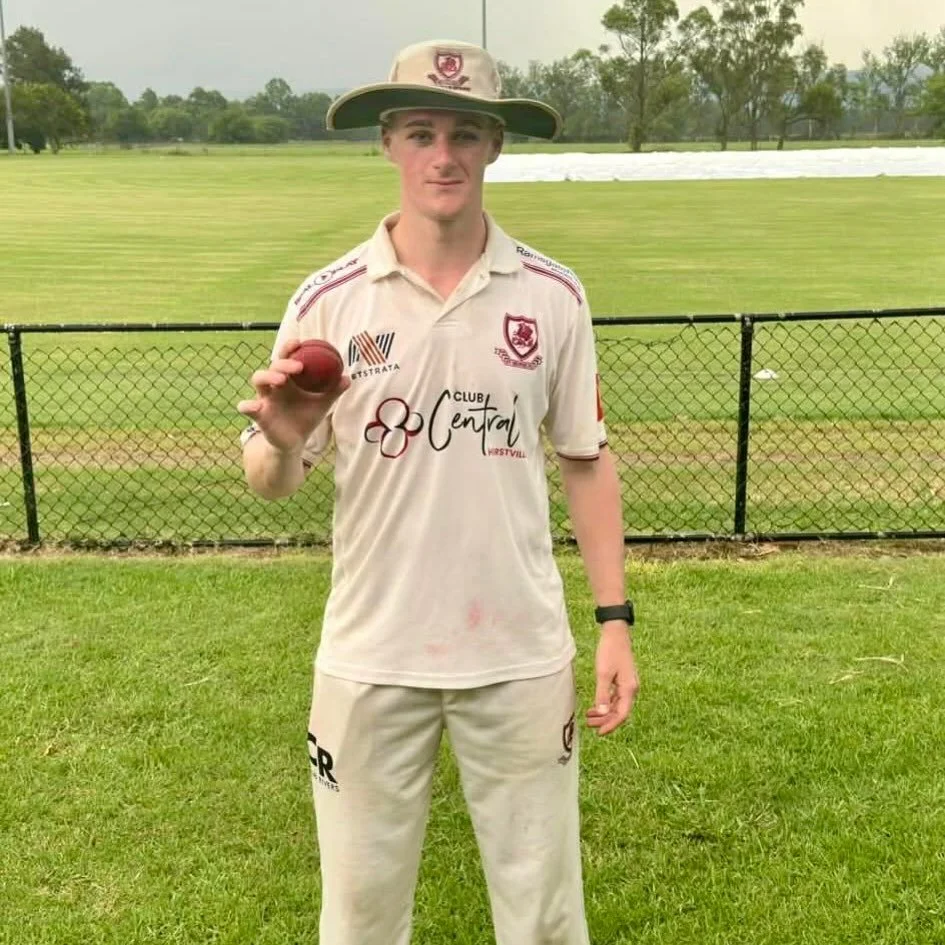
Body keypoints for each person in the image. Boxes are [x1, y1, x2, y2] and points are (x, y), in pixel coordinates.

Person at [237, 38, 639, 945]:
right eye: (421, 132)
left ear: (495, 144)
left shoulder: (553, 296)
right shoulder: (330, 301)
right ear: (388, 144)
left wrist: (613, 620)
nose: (443, 155)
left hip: (519, 654)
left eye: (465, 132)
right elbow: (269, 481)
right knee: (360, 918)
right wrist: (283, 439)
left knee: (542, 914)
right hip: (371, 653)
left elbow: (585, 457)